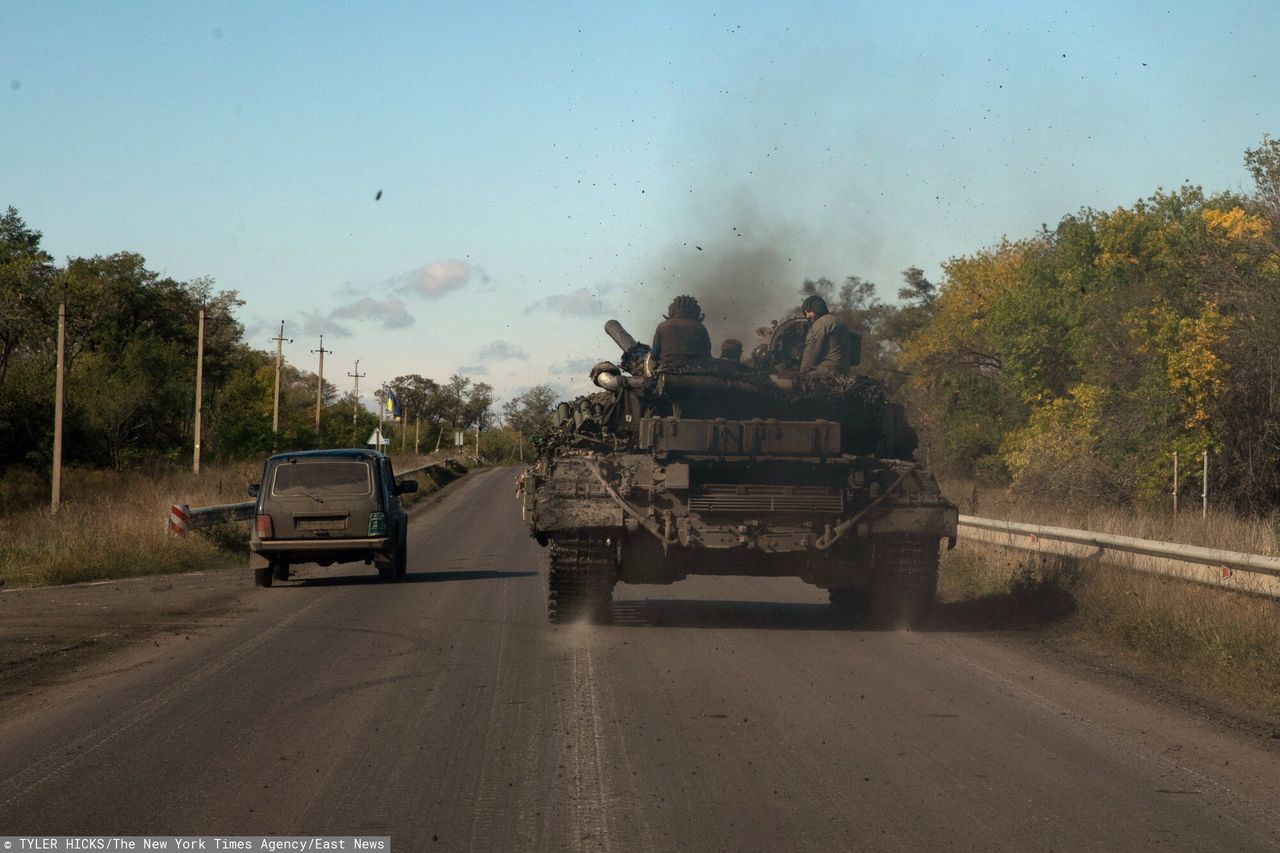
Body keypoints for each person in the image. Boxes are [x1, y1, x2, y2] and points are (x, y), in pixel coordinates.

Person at [799, 294, 853, 376]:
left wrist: (802, 375)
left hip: (825, 372)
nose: (807, 316)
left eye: (808, 312)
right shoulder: (840, 322)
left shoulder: (820, 323)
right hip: (843, 372)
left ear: (815, 308)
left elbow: (810, 352)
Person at [651, 295, 712, 366]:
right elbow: (707, 356)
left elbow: (654, 355)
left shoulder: (662, 326)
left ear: (672, 310)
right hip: (694, 372)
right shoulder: (701, 328)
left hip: (667, 371)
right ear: (696, 311)